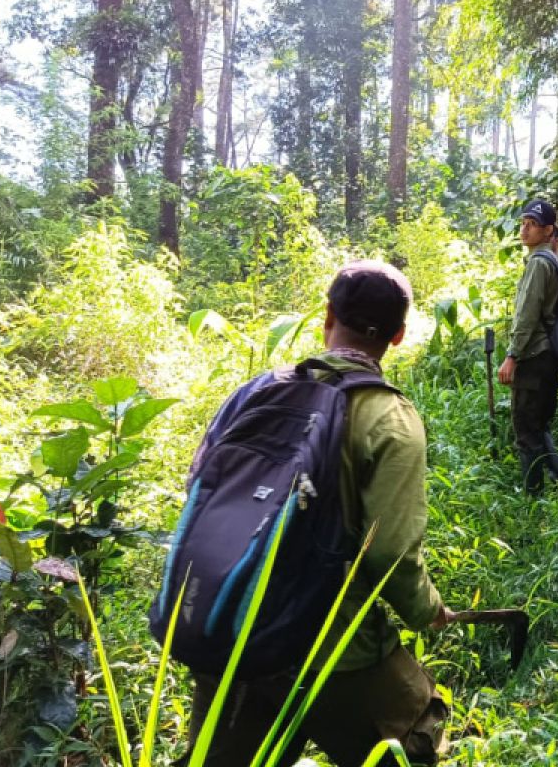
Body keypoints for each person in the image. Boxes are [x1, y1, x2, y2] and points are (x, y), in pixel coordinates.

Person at [179, 260, 456, 767]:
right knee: (415, 738)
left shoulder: (254, 393)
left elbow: (202, 488)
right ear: (398, 335)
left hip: (225, 624)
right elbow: (390, 551)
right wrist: (426, 610)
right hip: (329, 647)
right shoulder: (390, 418)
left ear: (326, 316)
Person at [497, 199, 558, 495]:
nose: (525, 229)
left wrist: (512, 355)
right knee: (539, 425)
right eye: (523, 223)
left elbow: (527, 314)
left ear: (548, 230)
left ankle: (532, 500)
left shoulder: (540, 264)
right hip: (551, 354)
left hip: (534, 354)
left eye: (533, 225)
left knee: (526, 429)